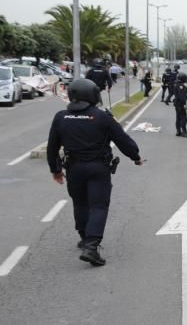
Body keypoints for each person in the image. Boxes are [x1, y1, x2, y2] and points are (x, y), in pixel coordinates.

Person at [47, 79, 143, 266]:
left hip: (74, 168)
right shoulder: (102, 117)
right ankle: (91, 246)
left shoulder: (61, 117)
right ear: (92, 95)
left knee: (80, 203)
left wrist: (55, 170)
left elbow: (52, 147)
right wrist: (136, 156)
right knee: (98, 206)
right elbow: (123, 140)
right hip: (98, 168)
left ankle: (85, 238)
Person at [172, 72, 187, 138]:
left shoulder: (176, 84)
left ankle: (178, 131)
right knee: (184, 118)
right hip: (180, 104)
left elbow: (186, 91)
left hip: (177, 103)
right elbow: (182, 96)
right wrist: (184, 104)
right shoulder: (180, 86)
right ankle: (184, 132)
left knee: (178, 117)